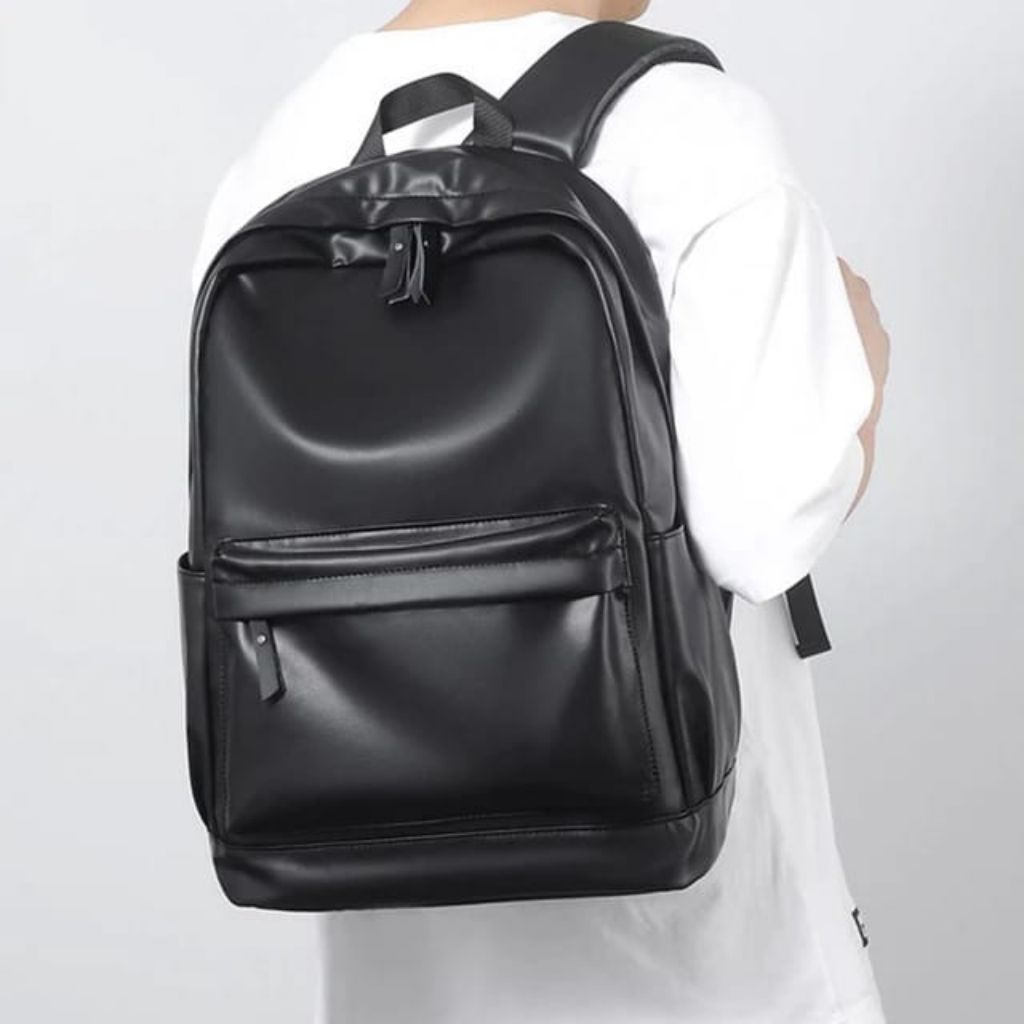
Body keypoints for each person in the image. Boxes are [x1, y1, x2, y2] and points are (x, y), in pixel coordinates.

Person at [192, 2, 892, 1022]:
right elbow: (764, 531)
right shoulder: (690, 124)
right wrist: (864, 379)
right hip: (703, 973)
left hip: (403, 983)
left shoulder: (279, 153)